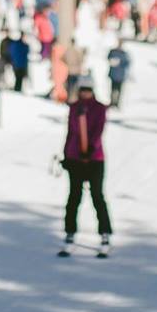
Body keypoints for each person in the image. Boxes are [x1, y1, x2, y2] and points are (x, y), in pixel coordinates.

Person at [59, 79, 112, 258]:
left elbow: (99, 130)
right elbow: (70, 132)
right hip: (75, 158)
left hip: (94, 159)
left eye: (88, 90)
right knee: (74, 197)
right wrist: (66, 154)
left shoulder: (99, 108)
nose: (85, 93)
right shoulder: (74, 108)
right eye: (82, 90)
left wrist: (91, 148)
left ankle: (105, 235)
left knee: (97, 196)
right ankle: (70, 233)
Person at [106, 40, 131, 109]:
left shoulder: (124, 53)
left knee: (118, 90)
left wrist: (120, 63)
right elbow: (108, 58)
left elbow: (127, 63)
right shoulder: (113, 51)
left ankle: (116, 103)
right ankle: (112, 102)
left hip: (121, 75)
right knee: (113, 89)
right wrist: (112, 61)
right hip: (113, 74)